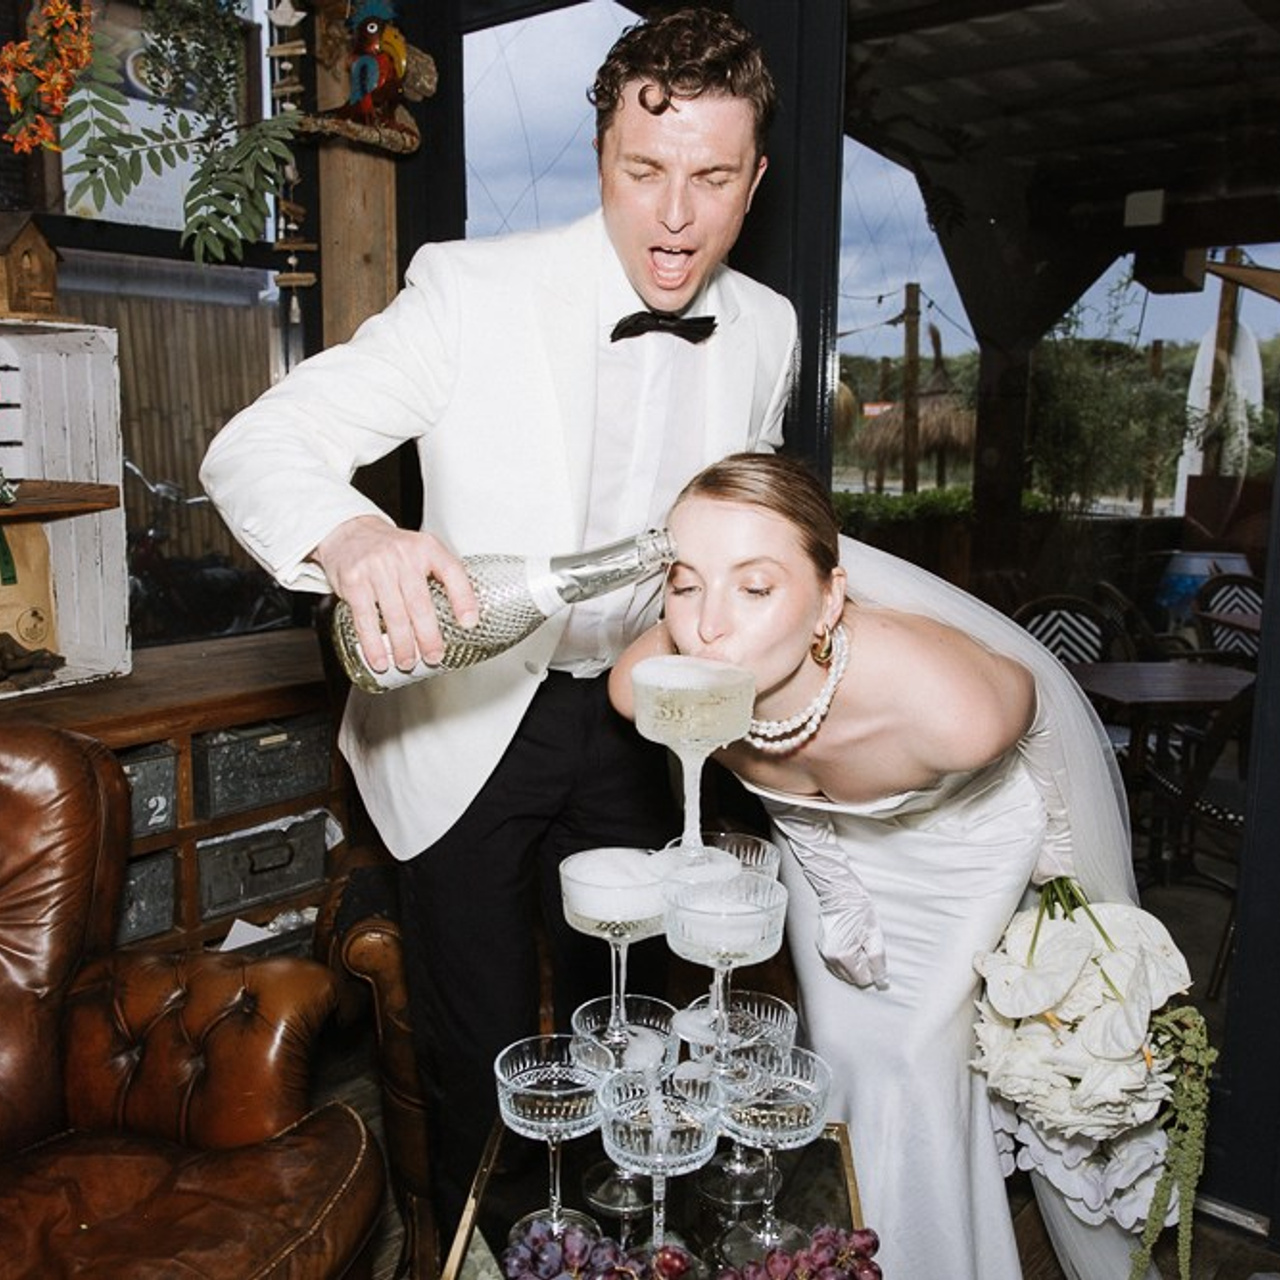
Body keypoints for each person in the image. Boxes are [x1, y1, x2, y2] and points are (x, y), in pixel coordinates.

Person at [199, 8, 796, 1239]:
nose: (675, 218)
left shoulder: (770, 329)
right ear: (599, 160)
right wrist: (355, 536)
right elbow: (259, 443)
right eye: (643, 173)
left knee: (632, 1024)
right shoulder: (471, 292)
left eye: (711, 179)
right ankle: (495, 1249)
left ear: (755, 179)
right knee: (486, 1060)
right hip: (471, 715)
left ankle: (630, 1242)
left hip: (640, 715)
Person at [610, 453, 1159, 1280]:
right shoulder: (661, 686)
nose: (708, 627)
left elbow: (1048, 742)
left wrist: (1063, 895)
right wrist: (833, 884)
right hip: (821, 839)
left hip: (961, 839)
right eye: (686, 586)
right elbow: (779, 783)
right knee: (838, 1051)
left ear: (830, 598)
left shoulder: (955, 710)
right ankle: (833, 1252)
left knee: (911, 1062)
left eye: (755, 588)